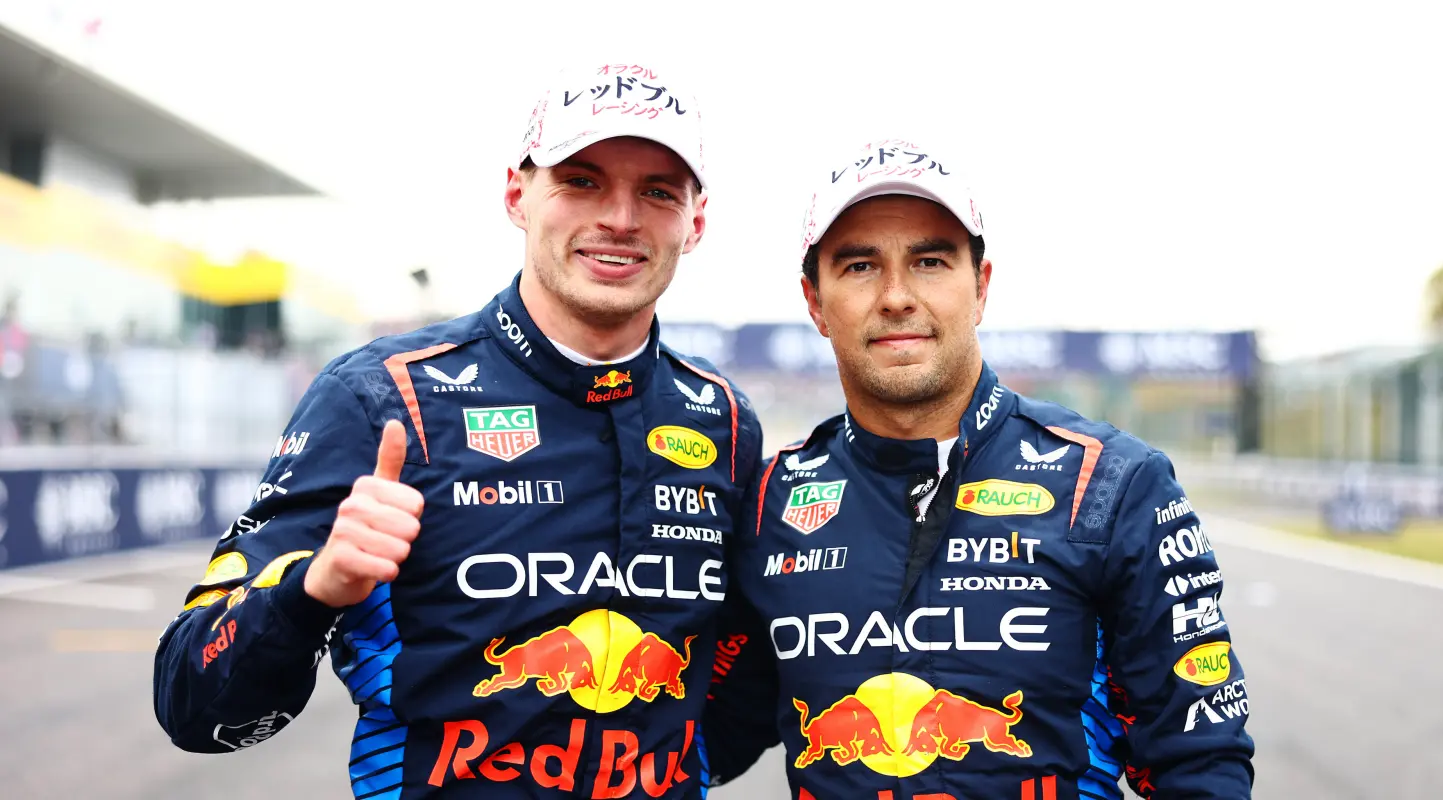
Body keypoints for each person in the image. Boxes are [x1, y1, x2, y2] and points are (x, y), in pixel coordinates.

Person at [154, 63, 763, 799]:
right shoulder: (379, 396)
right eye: (582, 180)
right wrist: (313, 591)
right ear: (517, 195)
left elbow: (734, 696)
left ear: (695, 222)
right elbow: (191, 702)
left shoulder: (724, 419)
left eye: (658, 192)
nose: (622, 219)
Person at [702, 140, 1254, 799]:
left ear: (981, 287)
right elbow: (697, 738)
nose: (897, 296)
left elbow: (1201, 763)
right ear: (815, 302)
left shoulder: (1111, 485)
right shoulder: (769, 502)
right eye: (859, 265)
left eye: (930, 261)